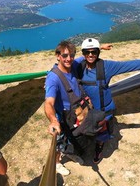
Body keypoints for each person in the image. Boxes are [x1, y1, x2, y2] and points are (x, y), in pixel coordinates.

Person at [74, 38, 140, 163]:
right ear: (83, 53)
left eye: (94, 52)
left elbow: (129, 65)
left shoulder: (107, 67)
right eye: (87, 52)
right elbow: (64, 67)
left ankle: (99, 147)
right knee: (86, 130)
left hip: (104, 110)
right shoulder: (78, 67)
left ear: (97, 53)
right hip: (87, 110)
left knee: (102, 133)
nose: (90, 55)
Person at [44, 40, 86, 176]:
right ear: (58, 56)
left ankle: (70, 153)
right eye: (65, 55)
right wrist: (53, 120)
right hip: (61, 116)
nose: (69, 59)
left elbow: (84, 56)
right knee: (59, 141)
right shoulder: (53, 78)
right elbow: (49, 102)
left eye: (72, 55)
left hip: (74, 113)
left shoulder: (73, 65)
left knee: (71, 137)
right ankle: (56, 163)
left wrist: (100, 47)